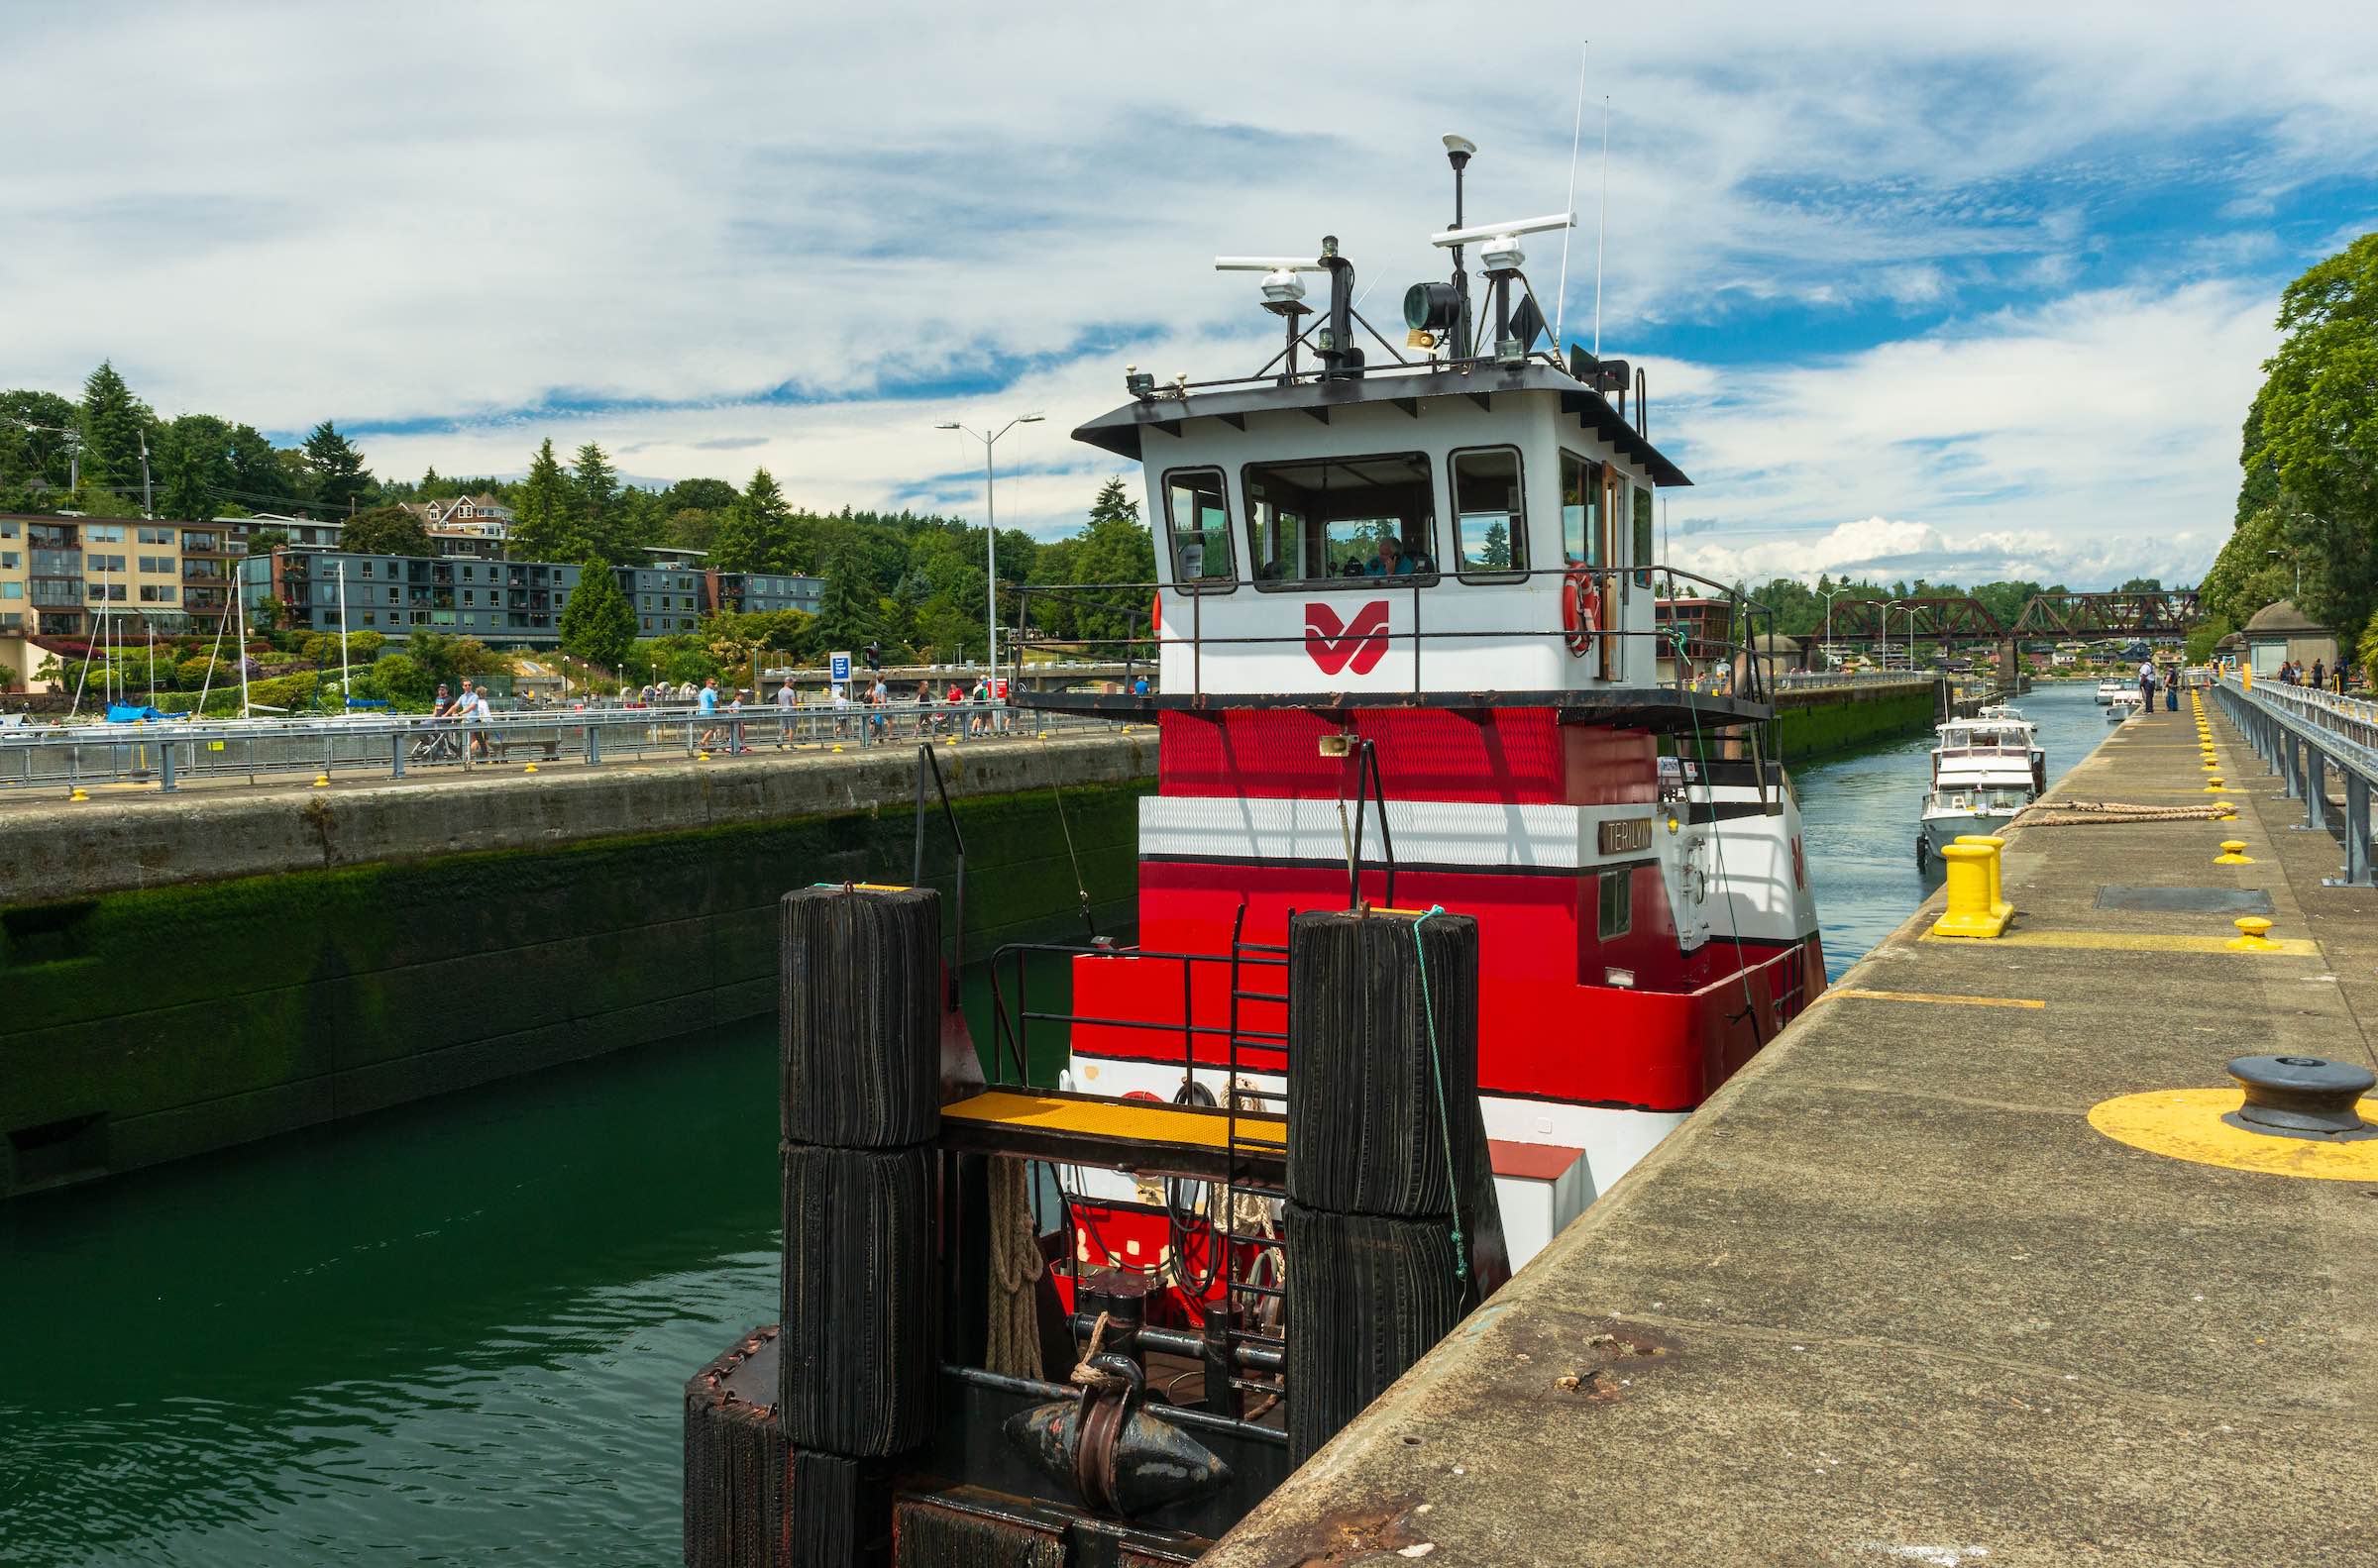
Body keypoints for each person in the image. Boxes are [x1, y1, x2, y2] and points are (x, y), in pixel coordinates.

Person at [696, 676, 721, 750]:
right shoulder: (711, 692)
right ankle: (703, 742)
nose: (714, 685)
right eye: (712, 684)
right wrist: (719, 710)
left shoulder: (702, 691)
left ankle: (707, 746)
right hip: (709, 713)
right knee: (713, 729)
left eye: (714, 684)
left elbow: (699, 703)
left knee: (706, 730)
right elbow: (716, 702)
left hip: (701, 712)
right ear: (708, 683)